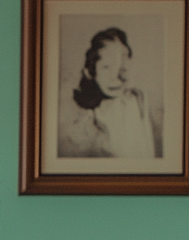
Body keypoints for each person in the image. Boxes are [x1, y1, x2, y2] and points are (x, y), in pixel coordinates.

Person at [59, 26, 161, 158]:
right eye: (106, 67)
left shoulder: (137, 100)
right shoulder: (87, 119)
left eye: (121, 66)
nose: (115, 76)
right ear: (90, 72)